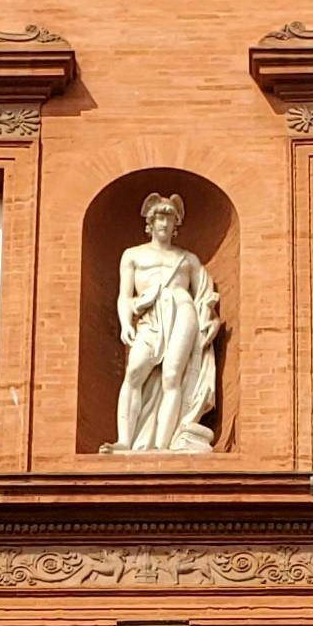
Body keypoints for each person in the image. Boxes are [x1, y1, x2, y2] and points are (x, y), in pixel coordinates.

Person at [111, 190, 223, 451]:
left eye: (169, 218)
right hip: (150, 317)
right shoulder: (133, 255)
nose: (164, 223)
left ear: (176, 224)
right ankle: (125, 440)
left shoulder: (187, 259)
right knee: (135, 370)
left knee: (172, 376)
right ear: (150, 222)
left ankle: (163, 446)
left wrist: (211, 322)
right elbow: (124, 296)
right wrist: (126, 323)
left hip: (183, 311)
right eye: (159, 217)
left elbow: (205, 296)